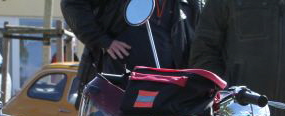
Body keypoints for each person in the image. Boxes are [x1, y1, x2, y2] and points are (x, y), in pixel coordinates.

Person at [61, 0, 202, 100]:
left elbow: (201, 38)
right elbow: (72, 4)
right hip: (120, 86)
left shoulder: (192, 3)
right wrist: (102, 40)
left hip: (169, 92)